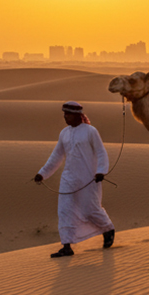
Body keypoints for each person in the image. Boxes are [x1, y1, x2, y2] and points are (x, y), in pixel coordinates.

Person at [33, 101, 115, 258]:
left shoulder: (91, 131)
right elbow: (56, 156)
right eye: (64, 114)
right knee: (65, 210)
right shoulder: (64, 133)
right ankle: (66, 246)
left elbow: (101, 152)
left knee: (90, 209)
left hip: (88, 178)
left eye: (68, 114)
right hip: (68, 178)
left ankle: (108, 229)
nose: (65, 117)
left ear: (78, 115)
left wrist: (101, 171)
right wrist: (42, 173)